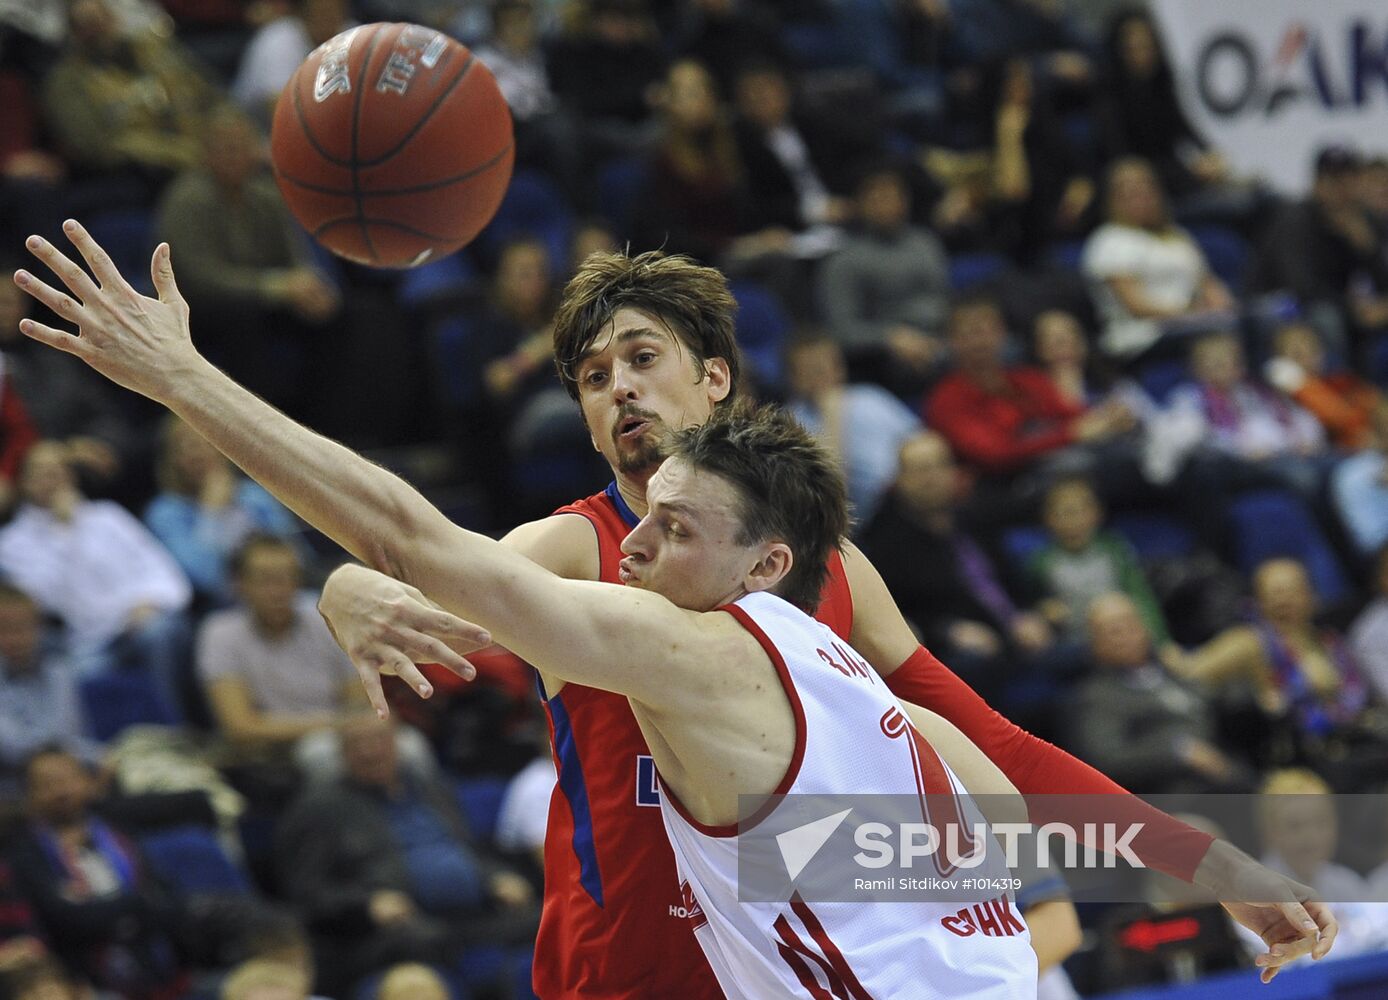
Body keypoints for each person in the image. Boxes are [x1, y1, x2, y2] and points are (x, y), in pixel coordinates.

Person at [13, 224, 1338, 992]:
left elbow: (995, 748)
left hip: (797, 956)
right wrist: (347, 585)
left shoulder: (829, 570)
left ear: (714, 379)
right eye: (592, 377)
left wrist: (1209, 866)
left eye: (640, 359)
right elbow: (430, 561)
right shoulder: (580, 549)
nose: (616, 392)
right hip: (628, 965)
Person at [276, 715, 536, 997]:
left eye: (379, 739)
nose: (370, 751)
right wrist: (365, 905)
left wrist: (496, 875)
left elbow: (469, 848)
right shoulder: (319, 809)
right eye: (357, 743)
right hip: (392, 930)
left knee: (546, 919)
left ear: (399, 742)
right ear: (341, 752)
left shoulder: (430, 787)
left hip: (472, 914)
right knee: (425, 941)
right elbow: (308, 892)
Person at [0, 441, 192, 712]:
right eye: (41, 472)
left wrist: (151, 601)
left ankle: (175, 726)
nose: (51, 479)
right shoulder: (12, 542)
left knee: (161, 633)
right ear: (23, 482)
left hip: (138, 623)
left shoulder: (108, 516)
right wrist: (65, 532)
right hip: (83, 642)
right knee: (81, 674)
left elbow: (164, 571)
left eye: (58, 470)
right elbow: (51, 602)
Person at [1071, 592, 1248, 794]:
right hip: (1172, 788)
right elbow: (1109, 759)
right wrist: (1179, 752)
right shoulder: (1095, 696)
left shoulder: (1172, 669)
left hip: (1227, 765)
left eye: (1130, 624)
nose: (1126, 635)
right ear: (1096, 645)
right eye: (1114, 631)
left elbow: (1211, 703)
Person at [1081, 157, 1236, 357]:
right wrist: (1190, 313)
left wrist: (1221, 305)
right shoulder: (1109, 240)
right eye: (1130, 194)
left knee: (1251, 323)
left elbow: (1207, 282)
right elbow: (1136, 306)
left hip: (1193, 322)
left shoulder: (1177, 236)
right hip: (1145, 334)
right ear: (1113, 200)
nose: (1141, 200)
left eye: (1146, 192)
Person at [145, 415, 300, 608]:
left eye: (206, 442)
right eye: (186, 446)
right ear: (172, 458)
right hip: (217, 610)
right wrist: (211, 512)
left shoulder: (254, 496)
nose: (198, 454)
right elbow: (207, 580)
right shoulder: (164, 513)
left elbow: (296, 555)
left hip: (284, 602)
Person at [783, 334, 921, 526]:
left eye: (827, 365)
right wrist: (831, 412)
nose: (821, 374)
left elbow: (921, 440)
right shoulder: (789, 422)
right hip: (868, 516)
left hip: (910, 488)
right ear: (794, 378)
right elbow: (825, 488)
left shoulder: (870, 396)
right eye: (811, 369)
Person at [0, 582, 102, 792]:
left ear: (39, 628)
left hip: (67, 774)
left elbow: (68, 732)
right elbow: (12, 747)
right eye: (4, 629)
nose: (14, 639)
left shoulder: (58, 670)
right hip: (13, 788)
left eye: (22, 628)